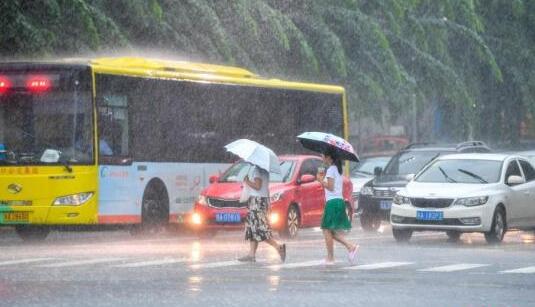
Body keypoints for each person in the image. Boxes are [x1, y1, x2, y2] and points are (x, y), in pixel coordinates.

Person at [317, 148, 358, 265]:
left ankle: (331, 257)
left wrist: (320, 180)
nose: (322, 158)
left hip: (333, 202)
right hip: (338, 201)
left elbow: (330, 187)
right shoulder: (337, 169)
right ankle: (350, 246)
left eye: (323, 155)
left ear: (329, 157)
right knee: (330, 231)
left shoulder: (331, 169)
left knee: (326, 229)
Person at [238, 164, 286, 263]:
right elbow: (265, 188)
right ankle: (251, 255)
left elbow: (258, 186)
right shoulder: (265, 170)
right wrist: (269, 204)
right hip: (262, 200)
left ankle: (278, 247)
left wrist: (247, 181)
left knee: (260, 230)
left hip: (256, 201)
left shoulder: (256, 170)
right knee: (253, 229)